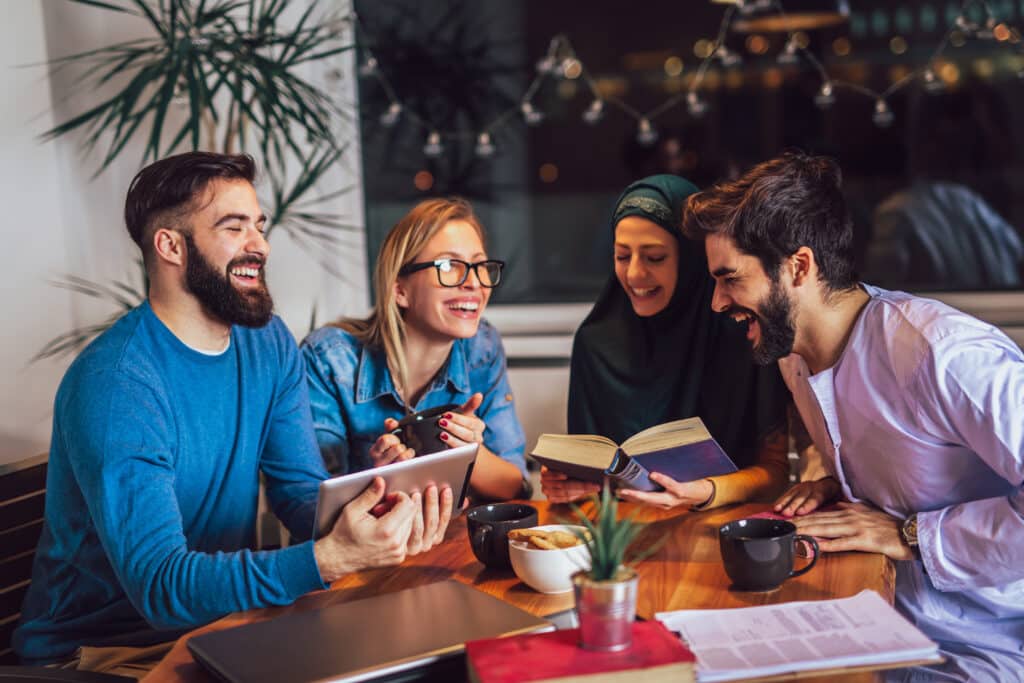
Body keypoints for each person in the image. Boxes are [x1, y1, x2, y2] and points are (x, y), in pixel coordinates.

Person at [13, 153, 452, 675]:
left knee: (425, 656)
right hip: (105, 655)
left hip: (221, 625)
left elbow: (298, 494)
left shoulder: (266, 344)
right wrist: (329, 559)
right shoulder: (118, 384)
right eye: (234, 227)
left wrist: (379, 501)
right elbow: (160, 587)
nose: (260, 246)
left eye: (259, 227)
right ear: (171, 245)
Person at [683, 152, 1024, 681]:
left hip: (983, 645)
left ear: (799, 267)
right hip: (873, 621)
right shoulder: (792, 356)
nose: (717, 302)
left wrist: (912, 536)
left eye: (730, 279)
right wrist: (831, 480)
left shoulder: (943, 353)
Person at [541, 175, 791, 510]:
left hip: (719, 525)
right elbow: (589, 479)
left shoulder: (742, 334)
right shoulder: (595, 342)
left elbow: (775, 473)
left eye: (654, 257)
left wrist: (707, 491)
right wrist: (566, 485)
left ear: (692, 260)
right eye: (621, 256)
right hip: (626, 533)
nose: (633, 274)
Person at [302, 198, 529, 501]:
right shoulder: (329, 360)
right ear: (400, 290)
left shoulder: (482, 349)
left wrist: (470, 455)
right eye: (449, 266)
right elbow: (311, 504)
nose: (475, 283)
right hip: (364, 547)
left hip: (448, 543)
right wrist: (380, 480)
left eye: (480, 265)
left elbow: (516, 489)